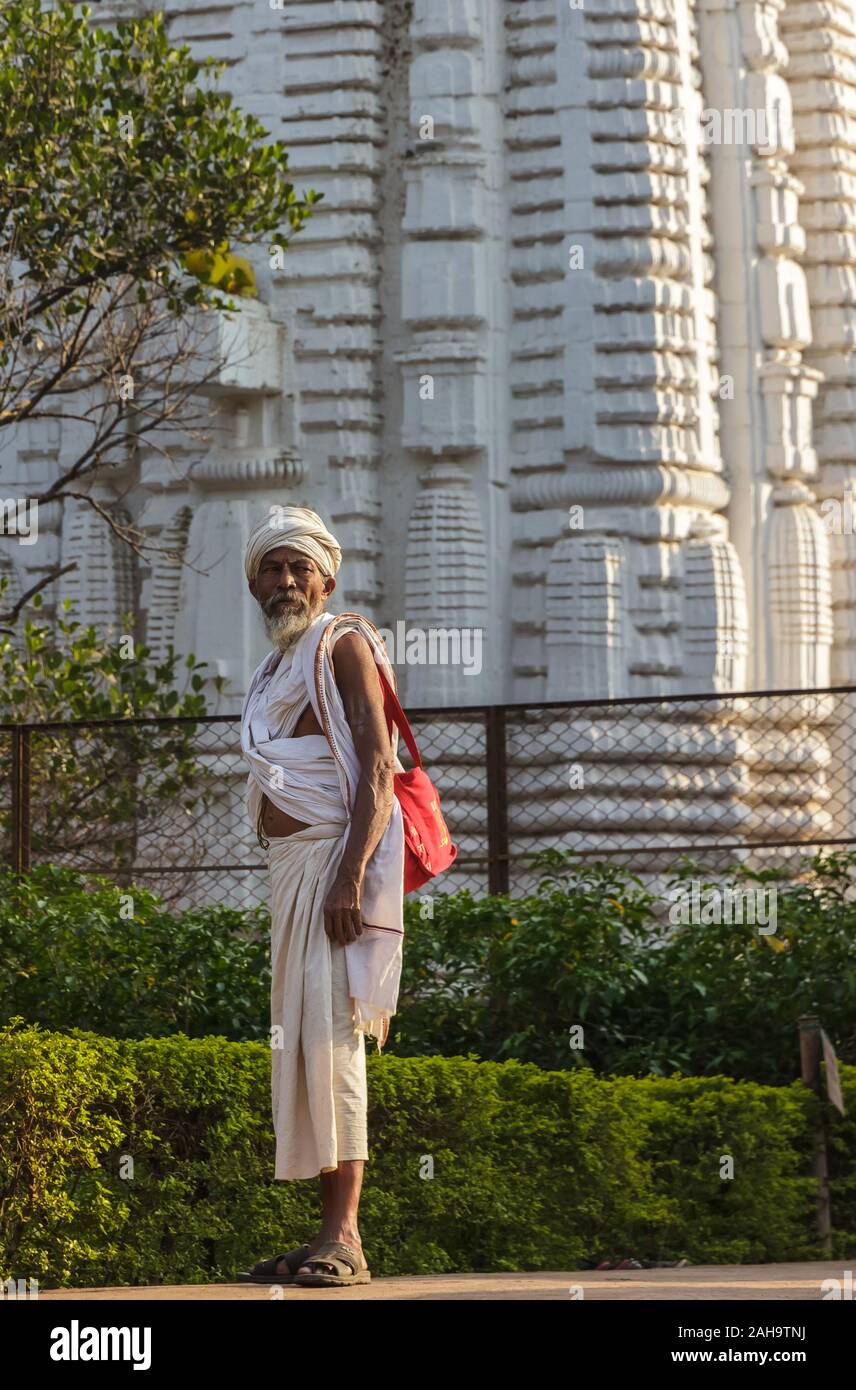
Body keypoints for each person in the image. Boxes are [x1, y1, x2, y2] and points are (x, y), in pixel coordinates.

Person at [236, 504, 404, 1288]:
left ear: (326, 579)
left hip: (333, 872)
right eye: (272, 567)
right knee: (302, 1045)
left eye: (299, 567)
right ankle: (322, 1233)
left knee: (333, 1043)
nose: (285, 579)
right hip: (291, 874)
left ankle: (347, 1238)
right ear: (255, 583)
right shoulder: (273, 669)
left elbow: (378, 766)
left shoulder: (341, 644)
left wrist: (346, 876)